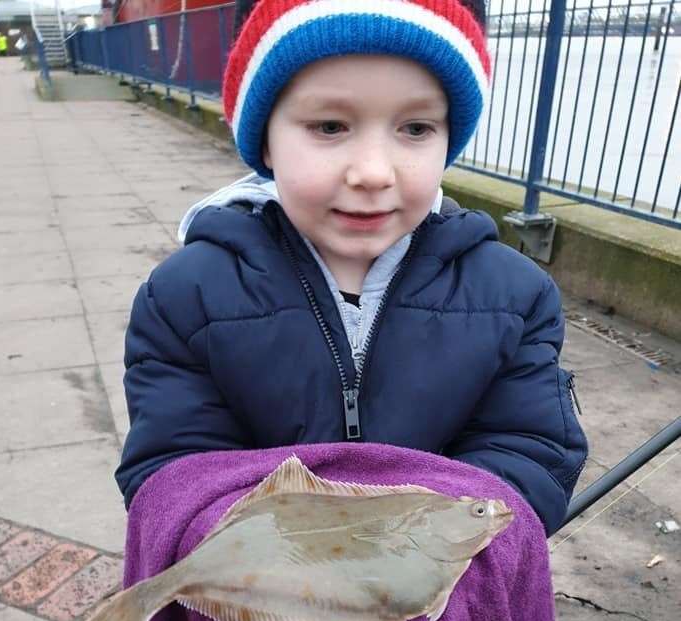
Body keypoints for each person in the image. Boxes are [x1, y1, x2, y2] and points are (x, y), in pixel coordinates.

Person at [116, 0, 588, 538]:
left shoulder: (516, 297)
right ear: (265, 141)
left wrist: (428, 548)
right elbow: (175, 469)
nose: (372, 172)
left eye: (415, 129)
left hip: (437, 594)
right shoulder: (184, 297)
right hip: (265, 597)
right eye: (331, 125)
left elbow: (530, 452)